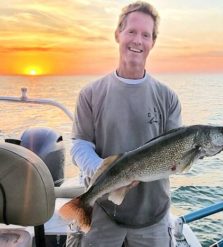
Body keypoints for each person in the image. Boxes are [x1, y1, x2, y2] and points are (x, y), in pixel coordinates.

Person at [70, 1, 182, 246]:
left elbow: (177, 153)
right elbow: (79, 143)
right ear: (117, 34)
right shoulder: (90, 93)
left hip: (153, 216)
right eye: (131, 31)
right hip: (102, 212)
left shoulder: (168, 97)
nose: (137, 41)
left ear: (153, 42)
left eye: (146, 35)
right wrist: (102, 171)